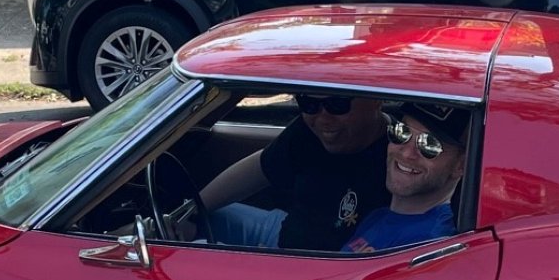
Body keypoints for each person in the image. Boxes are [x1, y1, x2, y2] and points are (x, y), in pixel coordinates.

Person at [201, 93, 390, 251]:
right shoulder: (307, 132)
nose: (323, 118)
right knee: (196, 218)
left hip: (309, 268)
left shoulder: (397, 161)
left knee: (187, 257)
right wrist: (193, 209)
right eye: (308, 103)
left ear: (376, 99)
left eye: (337, 104)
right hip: (281, 231)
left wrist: (271, 264)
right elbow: (260, 168)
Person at [342, 101, 470, 253]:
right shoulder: (378, 216)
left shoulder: (431, 245)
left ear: (461, 165)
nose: (406, 153)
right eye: (402, 132)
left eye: (429, 144)